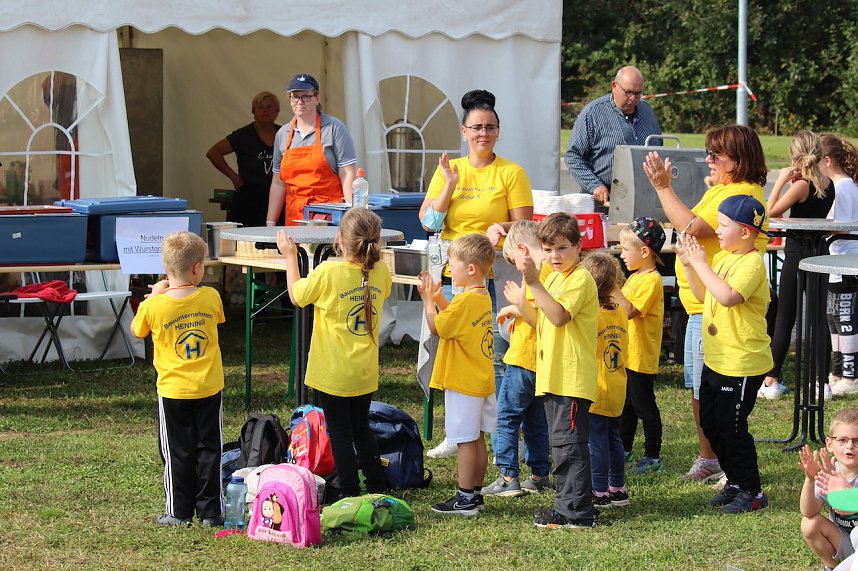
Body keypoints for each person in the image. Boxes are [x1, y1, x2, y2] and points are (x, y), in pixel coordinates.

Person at [644, 124, 769, 483]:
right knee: (705, 395)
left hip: (718, 315)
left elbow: (691, 227)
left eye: (716, 154)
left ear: (738, 160)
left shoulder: (741, 196)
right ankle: (715, 459)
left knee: (719, 404)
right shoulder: (725, 190)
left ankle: (729, 469)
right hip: (703, 305)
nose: (708, 159)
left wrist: (663, 187)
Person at [419, 89, 533, 459]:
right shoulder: (450, 170)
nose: (483, 133)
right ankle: (458, 432)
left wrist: (499, 227)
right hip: (458, 275)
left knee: (496, 352)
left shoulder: (511, 173)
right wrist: (449, 185)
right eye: (476, 127)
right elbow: (429, 221)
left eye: (490, 127)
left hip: (498, 273)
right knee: (455, 348)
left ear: (498, 131)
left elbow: (525, 228)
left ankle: (502, 430)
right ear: (464, 131)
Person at [275, 208, 391, 498]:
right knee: (361, 428)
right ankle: (378, 486)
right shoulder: (381, 272)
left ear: (339, 239)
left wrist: (291, 256)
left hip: (333, 372)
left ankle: (350, 492)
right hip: (364, 372)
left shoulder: (328, 272)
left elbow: (297, 296)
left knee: (339, 433)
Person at [678, 194, 772, 514]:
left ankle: (752, 491)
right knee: (711, 422)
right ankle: (734, 481)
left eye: (723, 225)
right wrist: (692, 266)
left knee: (732, 428)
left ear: (746, 232)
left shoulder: (752, 262)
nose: (716, 230)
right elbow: (706, 294)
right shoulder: (725, 257)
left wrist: (702, 263)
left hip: (741, 362)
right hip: (717, 359)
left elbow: (729, 297)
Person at [130, 231, 225, 527]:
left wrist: (157, 294)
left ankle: (178, 512)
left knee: (176, 452)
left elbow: (137, 330)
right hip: (208, 387)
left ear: (165, 268)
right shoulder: (211, 296)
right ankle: (211, 511)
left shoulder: (154, 306)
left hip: (173, 391)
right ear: (197, 269)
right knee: (210, 448)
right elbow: (217, 318)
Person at [512, 213, 598, 529]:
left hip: (571, 379)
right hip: (554, 376)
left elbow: (560, 317)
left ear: (578, 246)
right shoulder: (554, 277)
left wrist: (534, 281)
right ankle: (570, 504)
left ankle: (575, 513)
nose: (554, 257)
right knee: (560, 444)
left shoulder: (579, 278)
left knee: (569, 446)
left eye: (562, 248)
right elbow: (542, 319)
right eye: (548, 250)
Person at [417, 233, 497, 516]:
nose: (450, 268)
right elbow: (457, 322)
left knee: (464, 439)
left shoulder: (465, 302)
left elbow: (439, 327)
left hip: (463, 381)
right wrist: (440, 297)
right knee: (477, 438)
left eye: (453, 263)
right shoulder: (480, 297)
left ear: (471, 268)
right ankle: (474, 493)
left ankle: (464, 498)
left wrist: (428, 302)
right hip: (480, 380)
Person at [761, 130, 834, 399]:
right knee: (818, 320)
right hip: (819, 252)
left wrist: (779, 181)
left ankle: (772, 379)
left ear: (796, 156)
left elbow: (770, 213)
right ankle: (821, 382)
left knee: (785, 317)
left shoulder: (801, 185)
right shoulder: (828, 183)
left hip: (797, 253)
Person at [483, 221, 552, 497]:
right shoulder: (552, 271)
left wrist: (514, 307)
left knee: (507, 415)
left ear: (523, 250)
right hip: (541, 360)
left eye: (512, 259)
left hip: (522, 357)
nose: (513, 265)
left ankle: (508, 475)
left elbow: (533, 312)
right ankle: (538, 474)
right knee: (536, 419)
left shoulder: (534, 273)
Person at [565, 66, 662, 211]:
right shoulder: (593, 113)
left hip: (643, 199)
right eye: (628, 92)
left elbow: (659, 148)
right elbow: (573, 157)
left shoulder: (647, 111)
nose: (633, 98)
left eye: (638, 93)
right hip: (604, 203)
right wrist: (595, 185)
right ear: (614, 86)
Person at [266, 73, 357, 227]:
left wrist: (351, 216)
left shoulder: (334, 128)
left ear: (317, 98)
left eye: (306, 96)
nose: (300, 101)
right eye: (295, 96)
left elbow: (347, 173)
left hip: (329, 215)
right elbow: (278, 183)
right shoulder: (282, 134)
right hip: (295, 215)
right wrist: (270, 222)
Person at [616, 217, 667, 474]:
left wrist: (611, 286)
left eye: (625, 249)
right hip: (627, 355)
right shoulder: (635, 277)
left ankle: (653, 456)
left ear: (644, 252)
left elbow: (631, 310)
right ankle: (623, 448)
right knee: (626, 406)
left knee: (644, 406)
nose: (621, 254)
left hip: (641, 357)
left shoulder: (651, 280)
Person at [581, 251, 630, 509]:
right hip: (617, 385)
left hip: (598, 386)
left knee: (596, 440)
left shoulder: (593, 316)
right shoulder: (620, 312)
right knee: (614, 438)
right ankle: (617, 487)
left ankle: (598, 490)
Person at [206, 91, 282, 228]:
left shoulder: (285, 134)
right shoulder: (243, 135)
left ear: (277, 111)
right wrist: (233, 177)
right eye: (261, 107)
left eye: (270, 107)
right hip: (249, 197)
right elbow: (213, 153)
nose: (265, 110)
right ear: (253, 111)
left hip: (278, 197)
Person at [821, 134, 858, 395]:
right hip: (837, 261)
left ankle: (850, 375)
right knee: (833, 317)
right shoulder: (843, 186)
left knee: (845, 318)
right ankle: (837, 372)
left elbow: (844, 226)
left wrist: (823, 230)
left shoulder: (844, 187)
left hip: (847, 261)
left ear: (827, 160)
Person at [799, 408, 858, 570]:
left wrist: (851, 499)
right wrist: (810, 479)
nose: (850, 446)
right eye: (842, 440)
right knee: (809, 524)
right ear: (829, 444)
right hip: (843, 541)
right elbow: (808, 512)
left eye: (856, 441)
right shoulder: (829, 472)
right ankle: (834, 567)